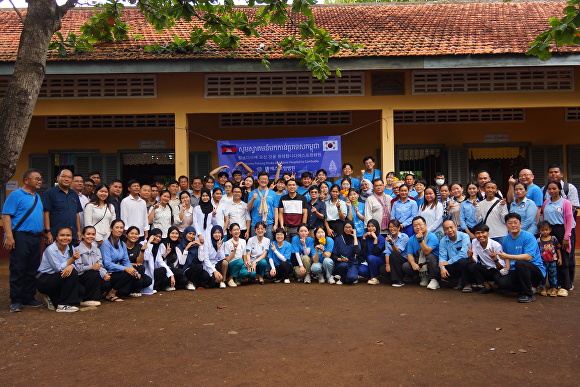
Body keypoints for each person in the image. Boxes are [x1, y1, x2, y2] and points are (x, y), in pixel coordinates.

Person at [2, 169, 45, 312]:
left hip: (35, 238)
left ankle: (29, 298)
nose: (39, 181)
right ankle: (16, 300)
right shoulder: (16, 195)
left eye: (40, 179)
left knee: (32, 269)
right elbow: (6, 216)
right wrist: (9, 236)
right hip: (21, 236)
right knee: (18, 268)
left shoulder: (38, 197)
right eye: (36, 178)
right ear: (26, 180)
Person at [497, 213, 546, 303]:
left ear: (520, 224)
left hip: (534, 269)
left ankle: (528, 294)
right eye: (510, 223)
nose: (513, 225)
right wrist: (506, 268)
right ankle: (526, 288)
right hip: (517, 269)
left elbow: (528, 257)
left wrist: (507, 256)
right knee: (503, 283)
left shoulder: (528, 237)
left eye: (515, 222)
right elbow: (506, 256)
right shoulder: (506, 239)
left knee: (520, 263)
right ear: (506, 225)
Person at [36, 227, 80, 312]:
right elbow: (58, 268)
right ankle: (64, 304)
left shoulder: (70, 248)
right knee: (72, 273)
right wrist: (71, 260)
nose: (65, 238)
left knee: (81, 290)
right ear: (56, 237)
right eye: (62, 235)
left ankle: (51, 297)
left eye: (68, 235)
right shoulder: (51, 249)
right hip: (45, 279)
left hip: (59, 277)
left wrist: (72, 266)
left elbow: (77, 265)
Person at [541, 180, 574, 295]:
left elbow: (569, 221)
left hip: (561, 231)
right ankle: (555, 285)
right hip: (549, 231)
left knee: (564, 258)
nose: (552, 191)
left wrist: (566, 236)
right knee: (552, 258)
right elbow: (544, 219)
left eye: (554, 188)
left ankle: (565, 286)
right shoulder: (546, 203)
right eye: (549, 189)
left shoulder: (565, 203)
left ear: (559, 189)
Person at [101, 220, 145, 302]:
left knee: (137, 277)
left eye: (121, 228)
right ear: (111, 228)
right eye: (117, 227)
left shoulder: (122, 244)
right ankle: (111, 293)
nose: (119, 230)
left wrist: (134, 272)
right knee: (128, 274)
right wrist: (125, 269)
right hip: (109, 272)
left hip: (119, 271)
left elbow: (126, 261)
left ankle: (121, 291)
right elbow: (107, 264)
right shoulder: (106, 244)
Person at [42, 169, 82, 244]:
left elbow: (77, 214)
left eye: (69, 177)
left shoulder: (74, 194)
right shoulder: (50, 193)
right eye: (63, 176)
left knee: (72, 255)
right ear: (57, 178)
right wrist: (48, 231)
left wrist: (79, 231)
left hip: (72, 235)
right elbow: (46, 213)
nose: (66, 179)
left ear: (72, 180)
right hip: (56, 235)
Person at [467, 223, 508, 294]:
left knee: (503, 285)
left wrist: (495, 260)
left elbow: (502, 267)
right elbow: (474, 261)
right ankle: (487, 286)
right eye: (477, 233)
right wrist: (470, 257)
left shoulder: (496, 245)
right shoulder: (474, 242)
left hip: (496, 270)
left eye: (483, 232)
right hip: (485, 269)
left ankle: (497, 285)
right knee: (471, 266)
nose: (480, 235)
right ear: (475, 235)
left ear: (488, 233)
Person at [404, 216, 440, 289]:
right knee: (406, 266)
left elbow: (427, 252)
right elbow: (409, 255)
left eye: (420, 224)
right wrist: (413, 263)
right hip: (420, 261)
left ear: (425, 225)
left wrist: (420, 240)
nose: (418, 227)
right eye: (415, 225)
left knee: (429, 257)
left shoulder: (432, 236)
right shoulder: (411, 239)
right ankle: (422, 276)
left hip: (433, 262)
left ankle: (434, 280)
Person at [75, 226, 107, 306]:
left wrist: (105, 275)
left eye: (93, 234)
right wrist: (91, 267)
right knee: (93, 273)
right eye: (88, 234)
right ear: (83, 236)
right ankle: (88, 299)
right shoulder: (76, 250)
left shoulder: (96, 250)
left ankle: (98, 294)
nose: (91, 236)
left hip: (94, 276)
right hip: (81, 277)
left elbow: (100, 265)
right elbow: (77, 269)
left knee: (108, 280)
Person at [438, 220, 472, 292]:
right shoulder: (443, 241)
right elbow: (442, 256)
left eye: (451, 227)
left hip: (465, 262)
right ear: (444, 230)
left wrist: (449, 262)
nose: (450, 230)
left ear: (456, 227)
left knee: (462, 262)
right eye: (446, 228)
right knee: (438, 270)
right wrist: (442, 267)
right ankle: (458, 282)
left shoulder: (464, 236)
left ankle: (467, 284)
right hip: (453, 264)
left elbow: (464, 253)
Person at [143, 228, 181, 292]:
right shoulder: (144, 244)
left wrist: (171, 275)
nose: (157, 238)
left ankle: (157, 287)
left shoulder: (156, 247)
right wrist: (149, 243)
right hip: (144, 272)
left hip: (154, 271)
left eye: (159, 237)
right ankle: (154, 287)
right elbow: (146, 257)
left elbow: (160, 262)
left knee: (163, 271)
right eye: (156, 236)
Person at [247, 171, 278, 240]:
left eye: (265, 179)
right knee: (254, 246)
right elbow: (248, 209)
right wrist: (252, 199)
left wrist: (276, 224)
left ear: (268, 181)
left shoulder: (273, 193)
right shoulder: (252, 193)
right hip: (255, 223)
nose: (264, 181)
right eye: (262, 179)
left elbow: (276, 209)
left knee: (269, 246)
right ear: (258, 180)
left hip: (269, 224)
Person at [124, 226, 153, 295]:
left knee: (147, 280)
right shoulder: (122, 245)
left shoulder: (138, 246)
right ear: (126, 235)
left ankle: (131, 290)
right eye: (132, 233)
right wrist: (132, 264)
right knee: (140, 274)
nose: (134, 236)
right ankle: (126, 290)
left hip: (136, 270)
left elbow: (139, 262)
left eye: (136, 234)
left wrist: (142, 250)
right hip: (125, 269)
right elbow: (120, 262)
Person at [380, 219, 409, 287]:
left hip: (403, 259)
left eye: (394, 226)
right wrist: (387, 265)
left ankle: (399, 281)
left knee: (394, 255)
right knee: (382, 269)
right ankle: (395, 278)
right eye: (390, 227)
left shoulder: (404, 237)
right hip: (393, 260)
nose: (392, 229)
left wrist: (392, 243)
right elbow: (387, 252)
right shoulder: (388, 237)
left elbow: (398, 251)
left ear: (399, 228)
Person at [536, 221, 561, 297]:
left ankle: (554, 289)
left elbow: (558, 248)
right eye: (542, 230)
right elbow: (536, 251)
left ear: (550, 229)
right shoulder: (538, 240)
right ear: (539, 231)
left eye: (546, 229)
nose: (545, 232)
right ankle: (543, 288)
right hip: (542, 261)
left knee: (553, 274)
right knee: (542, 275)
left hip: (553, 260)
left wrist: (560, 258)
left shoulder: (553, 239)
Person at [332, 220, 360, 285]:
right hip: (341, 263)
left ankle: (351, 275)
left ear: (353, 228)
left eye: (350, 227)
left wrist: (355, 237)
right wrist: (340, 259)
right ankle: (343, 278)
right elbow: (334, 255)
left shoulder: (356, 240)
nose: (348, 229)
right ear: (343, 228)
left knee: (352, 278)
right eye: (346, 227)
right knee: (343, 265)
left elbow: (357, 252)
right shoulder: (338, 239)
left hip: (352, 263)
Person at [360, 219, 385, 285]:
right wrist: (364, 238)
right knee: (361, 270)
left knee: (371, 257)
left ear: (376, 227)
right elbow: (363, 250)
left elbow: (376, 252)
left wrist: (375, 239)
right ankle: (372, 274)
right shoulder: (367, 237)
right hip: (368, 261)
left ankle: (375, 278)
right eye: (369, 226)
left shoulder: (381, 238)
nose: (371, 228)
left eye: (373, 226)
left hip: (379, 261)